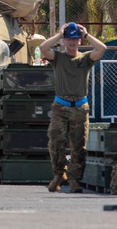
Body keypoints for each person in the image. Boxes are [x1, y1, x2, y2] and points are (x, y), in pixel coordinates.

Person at [40, 22, 107, 194]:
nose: (72, 42)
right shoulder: (58, 57)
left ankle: (74, 180)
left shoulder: (85, 59)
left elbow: (102, 48)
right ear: (64, 40)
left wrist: (86, 35)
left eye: (75, 39)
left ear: (79, 41)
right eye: (69, 38)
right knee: (55, 143)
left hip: (79, 106)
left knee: (78, 146)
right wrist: (59, 34)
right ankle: (58, 175)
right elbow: (43, 47)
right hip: (60, 106)